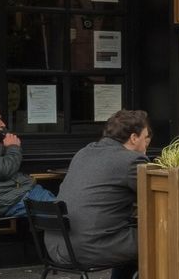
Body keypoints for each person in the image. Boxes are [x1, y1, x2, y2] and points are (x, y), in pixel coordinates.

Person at [54, 109, 150, 279]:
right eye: (145, 138)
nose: (146, 145)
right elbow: (156, 198)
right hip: (89, 248)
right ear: (134, 138)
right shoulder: (131, 160)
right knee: (160, 237)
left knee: (131, 235)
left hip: (58, 245)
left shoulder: (84, 152)